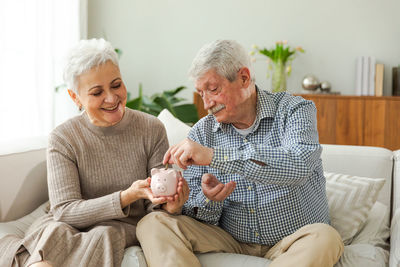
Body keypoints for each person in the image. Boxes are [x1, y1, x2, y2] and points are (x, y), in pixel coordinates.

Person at [136, 40, 344, 267]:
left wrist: (216, 156)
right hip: (231, 239)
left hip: (293, 239)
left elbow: (298, 164)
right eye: (200, 93)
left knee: (326, 238)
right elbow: (200, 217)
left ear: (244, 78)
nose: (206, 103)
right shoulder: (202, 133)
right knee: (152, 224)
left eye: (213, 90)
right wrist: (208, 200)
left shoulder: (295, 110)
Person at [0, 38, 182, 267]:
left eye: (116, 85)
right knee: (53, 237)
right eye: (97, 92)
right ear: (75, 97)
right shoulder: (63, 138)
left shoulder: (151, 129)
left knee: (104, 235)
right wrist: (126, 196)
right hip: (67, 224)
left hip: (120, 227)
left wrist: (172, 205)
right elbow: (64, 211)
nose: (111, 98)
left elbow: (157, 208)